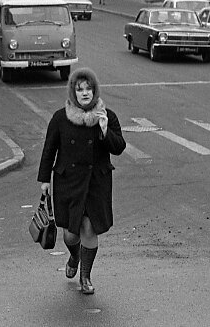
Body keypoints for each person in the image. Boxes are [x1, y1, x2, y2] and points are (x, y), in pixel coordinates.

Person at [37, 68, 126, 295]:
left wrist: (105, 131)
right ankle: (75, 255)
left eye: (88, 89)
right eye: (80, 90)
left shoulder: (107, 116)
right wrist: (44, 179)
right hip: (69, 182)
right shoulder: (60, 118)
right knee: (70, 233)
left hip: (96, 183)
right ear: (73, 92)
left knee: (89, 227)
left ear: (94, 91)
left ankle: (85, 277)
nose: (85, 93)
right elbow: (49, 149)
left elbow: (119, 148)